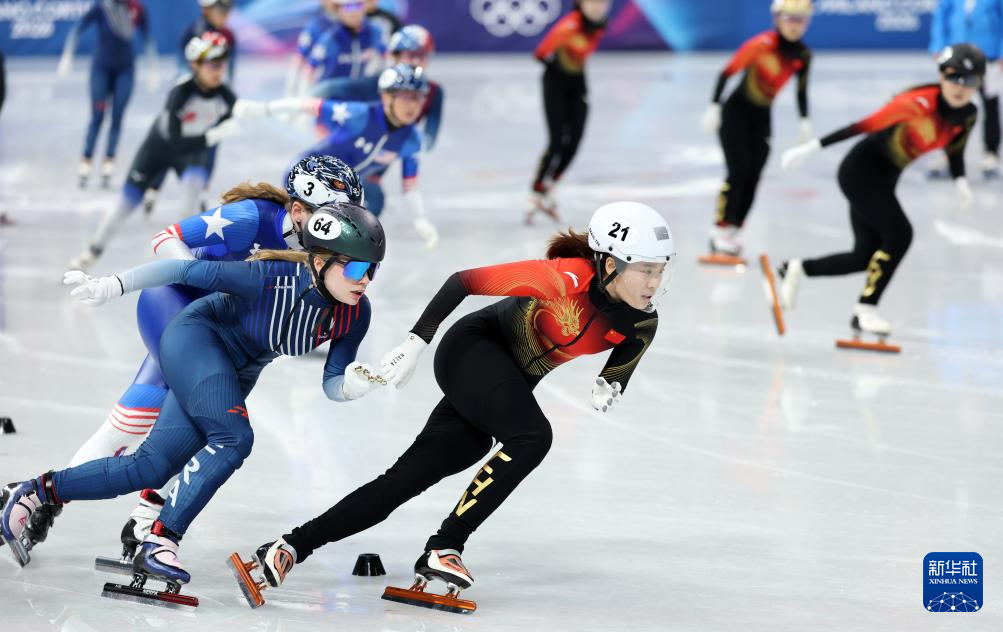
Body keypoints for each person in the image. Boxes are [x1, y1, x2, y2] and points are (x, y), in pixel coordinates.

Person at [232, 201, 674, 609]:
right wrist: (415, 341)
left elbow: (627, 352)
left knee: (405, 479)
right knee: (533, 436)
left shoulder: (643, 320)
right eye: (646, 270)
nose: (655, 283)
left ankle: (289, 547)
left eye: (660, 271)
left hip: (503, 386)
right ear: (611, 264)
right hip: (473, 350)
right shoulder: (562, 278)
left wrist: (612, 381)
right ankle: (446, 546)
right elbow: (463, 281)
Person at [1, 203, 387, 599]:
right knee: (234, 438)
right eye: (357, 268)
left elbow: (332, 383)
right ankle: (162, 540)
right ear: (320, 261)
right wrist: (111, 286)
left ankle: (34, 491)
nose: (365, 279)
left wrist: (354, 385)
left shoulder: (355, 314)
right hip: (196, 339)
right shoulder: (271, 278)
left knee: (151, 466)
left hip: (238, 369)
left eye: (373, 269)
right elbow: (184, 271)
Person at [774, 44, 982, 338]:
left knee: (863, 257)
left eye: (969, 80)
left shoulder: (969, 115)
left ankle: (795, 269)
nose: (960, 87)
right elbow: (862, 125)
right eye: (954, 77)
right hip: (860, 172)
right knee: (900, 235)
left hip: (886, 179)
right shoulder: (917, 103)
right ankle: (865, 311)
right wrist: (811, 147)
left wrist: (960, 181)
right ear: (941, 76)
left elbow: (956, 149)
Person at [68, 32, 240, 272]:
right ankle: (92, 253)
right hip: (159, 149)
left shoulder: (226, 96)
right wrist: (212, 135)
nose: (218, 71)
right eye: (213, 65)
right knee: (126, 203)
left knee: (192, 196)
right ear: (195, 65)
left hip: (193, 153)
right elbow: (178, 142)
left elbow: (239, 118)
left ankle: (181, 264)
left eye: (222, 65)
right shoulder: (180, 92)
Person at [238, 63, 438, 247]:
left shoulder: (411, 140)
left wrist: (420, 219)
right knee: (294, 239)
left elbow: (410, 185)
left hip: (341, 193)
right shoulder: (361, 115)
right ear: (387, 97)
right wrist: (262, 109)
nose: (414, 105)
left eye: (419, 97)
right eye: (406, 97)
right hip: (308, 175)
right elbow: (308, 105)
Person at [699, 0, 813, 259]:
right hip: (735, 113)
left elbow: (801, 91)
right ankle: (719, 229)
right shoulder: (762, 45)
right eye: (789, 18)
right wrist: (714, 106)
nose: (794, 26)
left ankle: (733, 230)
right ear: (777, 19)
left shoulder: (803, 55)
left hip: (762, 117)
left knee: (754, 174)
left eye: (800, 19)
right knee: (738, 170)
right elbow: (726, 72)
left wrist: (805, 121)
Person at [57, 0, 155, 189]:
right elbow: (78, 28)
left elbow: (147, 38)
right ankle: (86, 160)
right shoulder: (103, 7)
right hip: (101, 70)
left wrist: (152, 68)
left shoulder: (138, 9)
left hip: (125, 71)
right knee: (97, 117)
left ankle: (109, 161)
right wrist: (67, 54)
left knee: (117, 117)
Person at [528, 0, 609, 223]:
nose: (598, 7)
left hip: (578, 82)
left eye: (602, 3)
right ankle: (536, 189)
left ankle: (550, 185)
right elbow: (540, 54)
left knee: (575, 140)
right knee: (556, 141)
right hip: (555, 82)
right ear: (580, 4)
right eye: (593, 3)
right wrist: (561, 60)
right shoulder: (569, 26)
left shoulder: (601, 24)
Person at [312, 24, 444, 151]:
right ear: (395, 57)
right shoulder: (378, 83)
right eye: (411, 56)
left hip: (390, 150)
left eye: (422, 56)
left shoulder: (434, 91)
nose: (416, 62)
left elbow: (428, 140)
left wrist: (406, 149)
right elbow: (327, 89)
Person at [928, 0, 1002, 178]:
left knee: (990, 104)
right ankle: (948, 152)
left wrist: (1002, 52)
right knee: (951, 106)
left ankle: (990, 152)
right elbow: (941, 17)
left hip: (988, 55)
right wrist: (938, 46)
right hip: (957, 55)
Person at [306, 0, 385, 89]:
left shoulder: (373, 32)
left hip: (357, 91)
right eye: (348, 7)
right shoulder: (332, 38)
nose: (353, 12)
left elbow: (386, 56)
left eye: (358, 6)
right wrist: (314, 91)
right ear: (338, 10)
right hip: (332, 92)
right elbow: (311, 67)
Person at [288, 0, 339, 96]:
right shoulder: (316, 25)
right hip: (323, 88)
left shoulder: (361, 27)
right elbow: (300, 58)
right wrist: (292, 90)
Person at [179, 0, 236, 80]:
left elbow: (229, 73)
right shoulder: (192, 34)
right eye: (221, 9)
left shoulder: (228, 35)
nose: (225, 15)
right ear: (206, 9)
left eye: (227, 10)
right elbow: (184, 71)